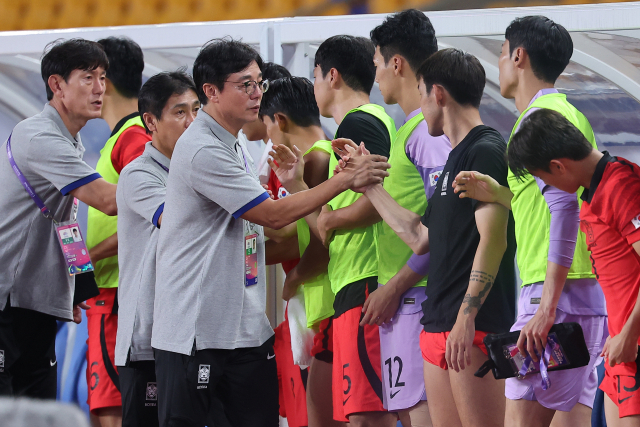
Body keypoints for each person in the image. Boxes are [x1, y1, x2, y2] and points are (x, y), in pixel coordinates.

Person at [151, 39, 390, 427]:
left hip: (249, 326)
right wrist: (345, 180)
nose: (257, 93)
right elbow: (274, 217)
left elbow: (288, 230)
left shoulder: (241, 149)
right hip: (197, 331)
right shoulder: (201, 149)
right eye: (245, 84)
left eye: (260, 82)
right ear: (211, 91)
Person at [333, 48, 517, 427]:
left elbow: (492, 240)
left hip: (473, 326)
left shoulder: (485, 150)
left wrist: (467, 316)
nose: (418, 106)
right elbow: (419, 236)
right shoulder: (453, 159)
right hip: (437, 324)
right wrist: (367, 184)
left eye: (420, 94)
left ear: (438, 94)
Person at [453, 16, 607, 427]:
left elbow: (564, 209)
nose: (499, 62)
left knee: (520, 421)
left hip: (553, 296)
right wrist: (499, 194)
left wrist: (547, 307)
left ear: (517, 56)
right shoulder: (569, 113)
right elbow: (554, 197)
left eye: (502, 53)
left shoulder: (538, 120)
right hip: (584, 294)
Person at [333, 10, 450, 426]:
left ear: (396, 63)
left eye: (377, 64)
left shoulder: (428, 134)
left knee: (422, 413)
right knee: (409, 409)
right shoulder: (409, 131)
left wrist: (394, 288)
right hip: (404, 298)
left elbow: (445, 227)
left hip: (415, 297)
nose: (376, 75)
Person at [505, 108, 640, 427]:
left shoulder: (623, 185)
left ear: (557, 166)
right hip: (621, 350)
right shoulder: (590, 196)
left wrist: (629, 333)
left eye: (542, 179)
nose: (546, 187)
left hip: (632, 344)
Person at [0, 38, 117, 399]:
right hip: (7, 302)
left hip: (33, 302)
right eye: (87, 78)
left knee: (39, 416)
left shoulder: (69, 142)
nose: (100, 89)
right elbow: (107, 201)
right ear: (57, 85)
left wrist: (76, 287)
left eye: (102, 77)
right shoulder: (38, 136)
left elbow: (65, 224)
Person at [308, 34, 397, 427]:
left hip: (366, 280)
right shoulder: (354, 125)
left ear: (332, 76)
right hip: (353, 282)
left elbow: (383, 194)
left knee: (368, 415)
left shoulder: (361, 122)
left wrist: (332, 220)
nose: (313, 88)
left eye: (314, 77)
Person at [115, 71, 200, 427]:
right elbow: (179, 221)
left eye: (197, 109)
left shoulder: (197, 168)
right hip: (146, 338)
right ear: (150, 120)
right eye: (180, 112)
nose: (192, 121)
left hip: (187, 333)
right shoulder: (138, 173)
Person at [260, 76, 334, 427]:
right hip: (320, 304)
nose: (267, 139)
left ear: (279, 120)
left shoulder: (317, 162)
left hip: (323, 303)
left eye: (265, 126)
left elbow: (309, 234)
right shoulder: (318, 157)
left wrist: (297, 276)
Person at [85, 36, 150, 427]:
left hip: (119, 299)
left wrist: (90, 256)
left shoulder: (132, 137)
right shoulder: (124, 135)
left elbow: (151, 214)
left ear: (103, 80)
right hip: (110, 296)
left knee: (115, 413)